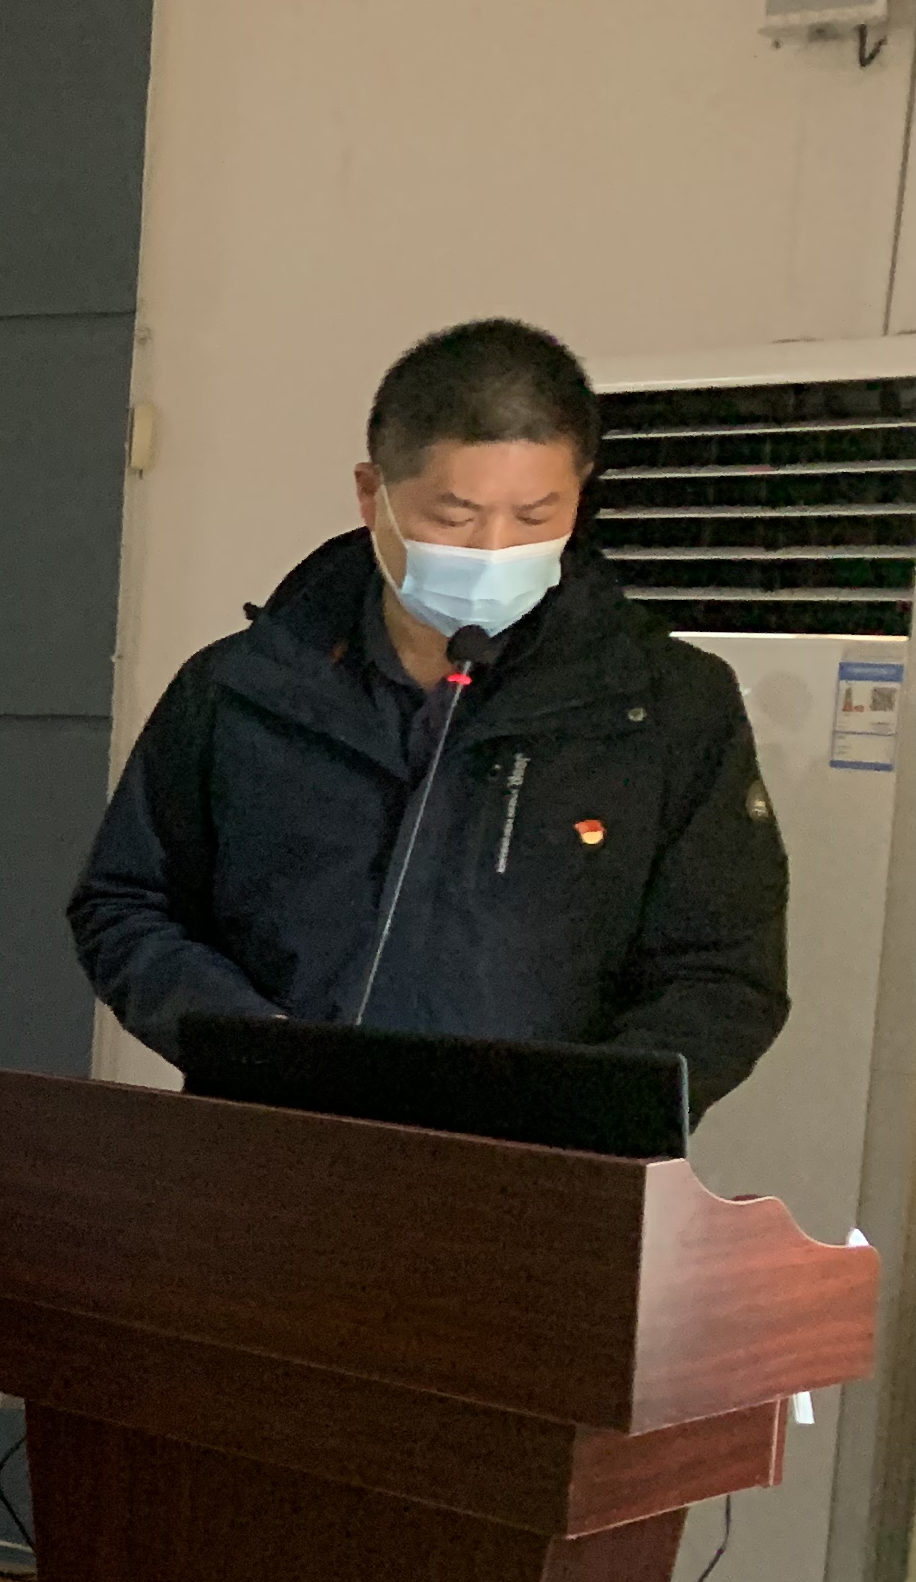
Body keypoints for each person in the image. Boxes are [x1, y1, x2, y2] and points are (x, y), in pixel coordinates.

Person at [74, 318, 789, 1120]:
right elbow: (125, 905)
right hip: (270, 1139)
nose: (493, 549)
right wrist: (251, 1048)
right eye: (454, 517)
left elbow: (723, 975)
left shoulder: (668, 709)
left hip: (544, 1165)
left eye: (535, 517)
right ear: (371, 493)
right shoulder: (242, 689)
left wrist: (591, 1112)